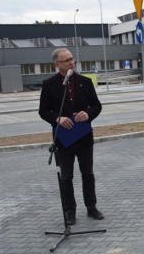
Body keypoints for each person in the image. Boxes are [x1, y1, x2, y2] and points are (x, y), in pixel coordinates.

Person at [38, 48, 104, 226]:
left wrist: (88, 114)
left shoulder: (85, 81)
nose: (71, 62)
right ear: (57, 64)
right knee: (66, 177)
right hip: (63, 138)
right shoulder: (49, 84)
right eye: (66, 60)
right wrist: (57, 118)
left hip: (83, 136)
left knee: (88, 174)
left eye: (72, 59)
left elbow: (97, 106)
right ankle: (70, 211)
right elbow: (43, 111)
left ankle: (91, 207)